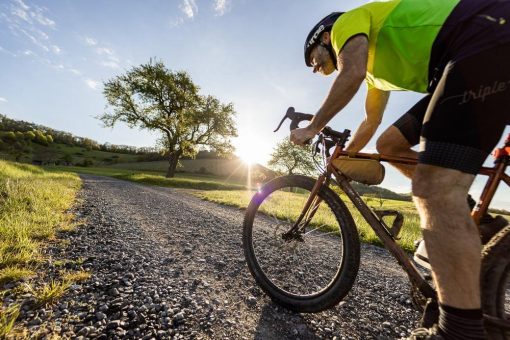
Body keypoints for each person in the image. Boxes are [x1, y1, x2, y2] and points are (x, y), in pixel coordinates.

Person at [290, 1, 510, 339]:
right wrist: (345, 154)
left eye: (311, 59)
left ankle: (458, 333)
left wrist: (313, 126)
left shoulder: (345, 26)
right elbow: (372, 123)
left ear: (322, 37)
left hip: (480, 35)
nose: (313, 67)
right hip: (461, 56)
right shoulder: (377, 70)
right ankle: (471, 217)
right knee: (389, 145)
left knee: (433, 188)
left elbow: (351, 73)